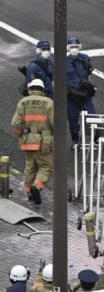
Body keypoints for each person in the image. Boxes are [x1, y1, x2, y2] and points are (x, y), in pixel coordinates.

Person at [11, 78, 54, 206]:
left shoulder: (23, 102)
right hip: (44, 141)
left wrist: (21, 135)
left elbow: (15, 124)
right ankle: (37, 185)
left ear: (30, 89)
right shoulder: (49, 102)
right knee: (45, 166)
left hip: (28, 139)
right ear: (42, 89)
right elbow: (55, 123)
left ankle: (29, 192)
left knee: (30, 167)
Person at [66, 36, 96, 144]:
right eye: (72, 47)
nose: (74, 49)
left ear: (79, 47)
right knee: (72, 119)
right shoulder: (63, 62)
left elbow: (89, 74)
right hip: (71, 96)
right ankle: (75, 139)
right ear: (68, 48)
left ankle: (96, 139)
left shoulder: (85, 58)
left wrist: (89, 85)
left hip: (85, 95)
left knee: (92, 116)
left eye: (76, 47)